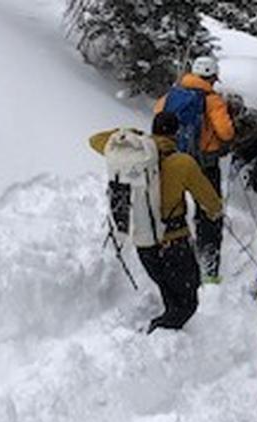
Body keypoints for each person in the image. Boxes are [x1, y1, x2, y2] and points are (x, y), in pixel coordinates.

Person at [89, 112, 223, 333]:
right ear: (177, 134)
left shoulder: (134, 157)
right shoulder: (183, 163)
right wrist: (216, 212)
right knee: (187, 302)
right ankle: (160, 332)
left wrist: (131, 134)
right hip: (175, 243)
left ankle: (169, 332)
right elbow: (211, 202)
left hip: (144, 242)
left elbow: (94, 140)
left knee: (168, 289)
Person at [156, 55, 235, 283]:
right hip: (204, 164)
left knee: (175, 210)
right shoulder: (212, 100)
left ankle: (173, 262)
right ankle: (209, 268)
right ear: (212, 77)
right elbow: (226, 132)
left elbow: (158, 112)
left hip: (175, 159)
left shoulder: (173, 94)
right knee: (209, 212)